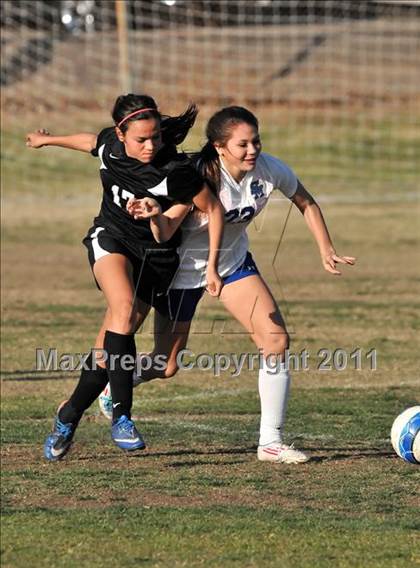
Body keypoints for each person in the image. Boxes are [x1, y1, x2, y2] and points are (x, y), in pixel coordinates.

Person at [99, 105, 356, 464]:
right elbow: (167, 229)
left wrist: (325, 249)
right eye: (243, 145)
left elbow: (306, 202)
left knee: (276, 340)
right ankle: (118, 385)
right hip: (179, 274)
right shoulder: (195, 176)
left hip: (232, 264)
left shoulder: (269, 169)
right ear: (220, 147)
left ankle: (270, 442)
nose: (253, 151)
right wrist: (157, 216)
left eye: (256, 142)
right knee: (165, 364)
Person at [26, 94, 224, 461]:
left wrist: (212, 265)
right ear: (120, 133)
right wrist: (48, 140)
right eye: (142, 139)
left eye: (156, 138)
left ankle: (68, 415)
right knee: (122, 309)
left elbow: (213, 209)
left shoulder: (175, 171)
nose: (151, 146)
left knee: (107, 353)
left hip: (156, 257)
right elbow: (89, 141)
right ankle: (122, 417)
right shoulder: (110, 146)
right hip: (111, 239)